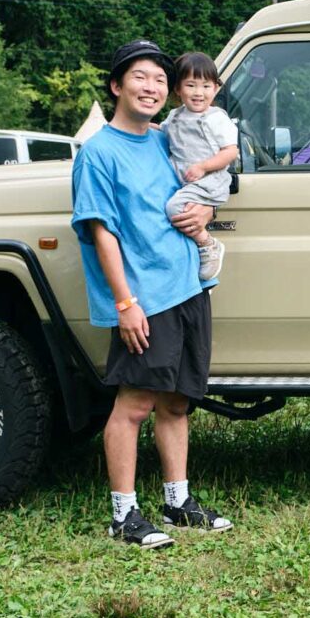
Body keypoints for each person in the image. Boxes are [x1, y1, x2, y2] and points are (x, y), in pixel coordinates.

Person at [71, 39, 233, 550]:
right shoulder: (99, 153)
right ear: (117, 86)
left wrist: (206, 212)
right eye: (140, 77)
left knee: (178, 403)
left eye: (161, 79)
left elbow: (210, 178)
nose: (153, 86)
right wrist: (125, 303)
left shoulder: (166, 140)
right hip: (146, 297)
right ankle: (124, 513)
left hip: (189, 285)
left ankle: (177, 500)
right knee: (134, 405)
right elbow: (102, 232)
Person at [161, 51, 238, 280]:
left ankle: (208, 244)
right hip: (187, 182)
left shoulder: (216, 118)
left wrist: (204, 167)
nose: (198, 93)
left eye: (206, 86)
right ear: (178, 89)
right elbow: (161, 132)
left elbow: (230, 152)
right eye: (191, 85)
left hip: (209, 180)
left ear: (215, 88)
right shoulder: (175, 116)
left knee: (174, 209)